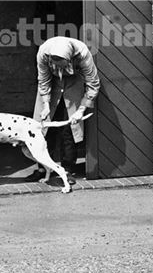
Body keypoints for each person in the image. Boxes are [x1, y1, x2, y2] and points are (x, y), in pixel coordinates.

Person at [31, 35, 101, 182]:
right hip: (51, 84)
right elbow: (43, 80)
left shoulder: (83, 54)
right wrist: (45, 105)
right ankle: (42, 168)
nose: (58, 68)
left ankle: (67, 169)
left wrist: (81, 110)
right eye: (54, 64)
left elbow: (93, 84)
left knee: (69, 129)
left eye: (61, 65)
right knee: (43, 127)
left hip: (73, 83)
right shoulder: (43, 52)